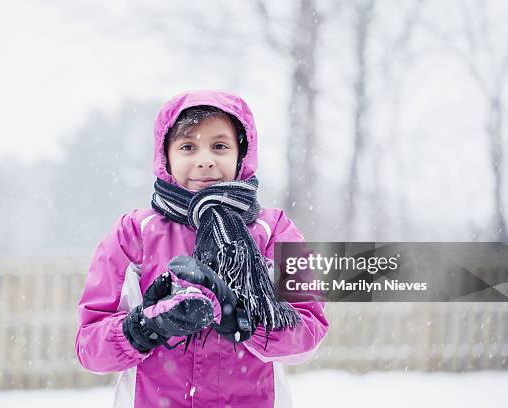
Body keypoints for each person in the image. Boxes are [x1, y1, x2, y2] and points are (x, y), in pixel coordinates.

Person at [75, 89, 329, 407]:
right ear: (165, 156)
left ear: (242, 153)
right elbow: (89, 348)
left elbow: (308, 330)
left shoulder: (275, 231)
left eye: (219, 146)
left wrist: (246, 320)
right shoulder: (133, 235)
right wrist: (144, 326)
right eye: (188, 147)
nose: (205, 159)